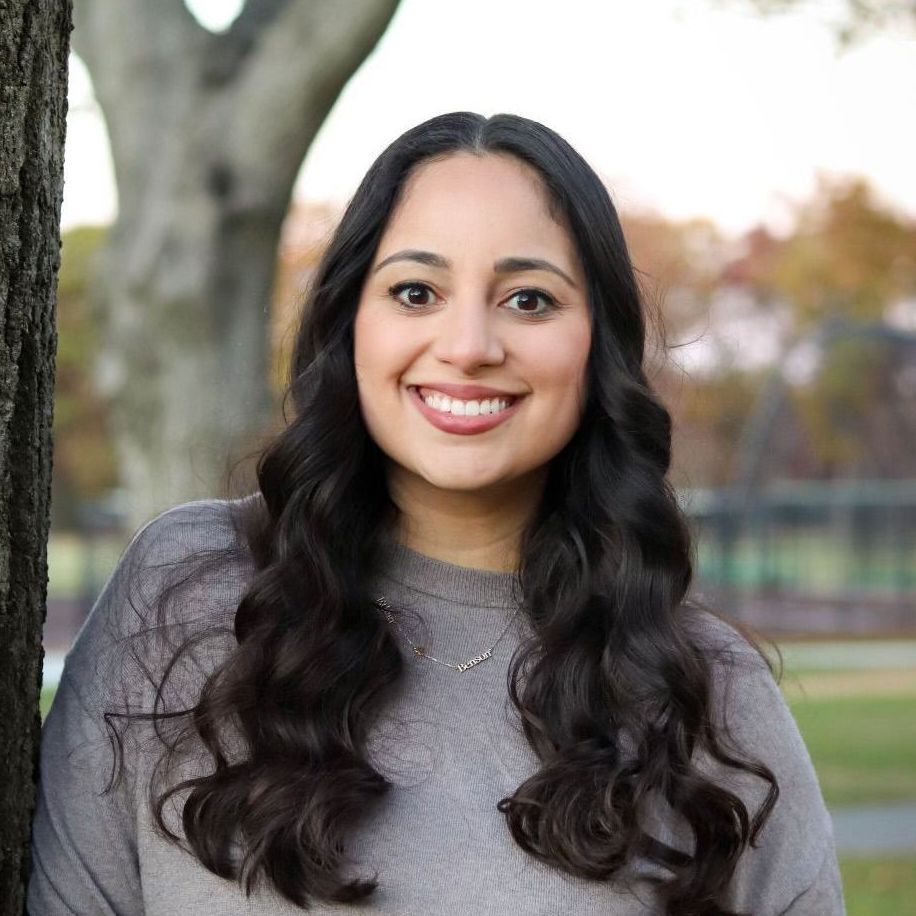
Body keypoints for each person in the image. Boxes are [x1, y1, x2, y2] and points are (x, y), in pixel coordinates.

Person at [27, 111, 844, 915]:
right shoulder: (189, 591)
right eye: (416, 291)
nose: (468, 345)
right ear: (351, 325)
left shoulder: (703, 689)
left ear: (598, 344)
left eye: (529, 300)